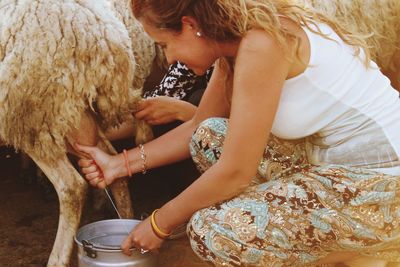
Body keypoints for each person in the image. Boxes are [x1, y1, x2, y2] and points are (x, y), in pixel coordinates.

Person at [76, 0, 400, 266]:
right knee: (210, 137)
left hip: (383, 187)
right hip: (333, 168)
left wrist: (160, 223)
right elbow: (197, 128)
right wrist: (119, 164)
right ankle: (324, 240)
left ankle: (363, 250)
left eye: (165, 45)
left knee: (211, 231)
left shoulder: (264, 44)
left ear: (190, 26)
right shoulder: (237, 47)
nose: (170, 58)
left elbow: (236, 171)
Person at [106, 61, 213, 216]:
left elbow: (234, 129)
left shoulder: (249, 58)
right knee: (166, 111)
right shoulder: (204, 63)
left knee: (198, 99)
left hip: (248, 160)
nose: (168, 59)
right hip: (211, 130)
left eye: (164, 45)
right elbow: (149, 108)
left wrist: (182, 111)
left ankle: (192, 207)